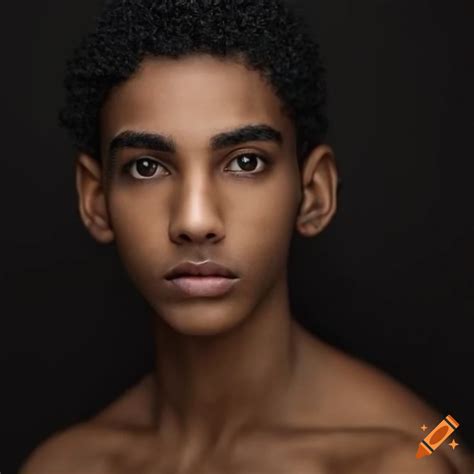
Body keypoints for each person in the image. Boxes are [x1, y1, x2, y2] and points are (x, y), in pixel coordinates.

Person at [20, 0, 472, 472]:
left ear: (314, 193)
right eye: (147, 167)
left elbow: (441, 437)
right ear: (96, 200)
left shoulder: (402, 458)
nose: (195, 220)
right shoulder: (65, 465)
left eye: (245, 162)